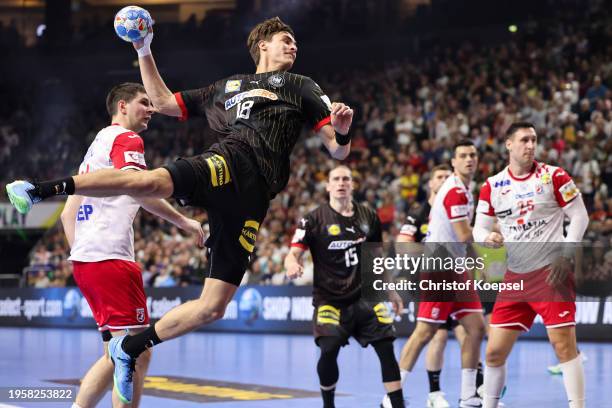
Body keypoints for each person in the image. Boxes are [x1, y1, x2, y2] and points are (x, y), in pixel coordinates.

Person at [5, 17, 354, 403]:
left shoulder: (302, 87)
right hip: (230, 161)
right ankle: (40, 189)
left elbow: (338, 149)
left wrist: (343, 129)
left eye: (295, 43)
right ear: (263, 46)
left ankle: (132, 347)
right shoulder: (225, 87)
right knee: (149, 182)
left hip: (255, 198)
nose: (294, 47)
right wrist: (143, 48)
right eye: (286, 40)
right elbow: (165, 102)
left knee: (212, 308)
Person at [61, 83, 204, 407]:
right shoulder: (126, 139)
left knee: (115, 353)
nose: (152, 109)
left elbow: (68, 212)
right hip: (110, 259)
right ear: (122, 106)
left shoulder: (98, 143)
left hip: (88, 261)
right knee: (135, 353)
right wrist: (184, 220)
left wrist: (82, 255)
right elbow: (140, 189)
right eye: (144, 103)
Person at [473, 122, 589, 408]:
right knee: (494, 353)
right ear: (508, 144)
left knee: (563, 347)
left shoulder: (554, 176)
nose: (530, 145)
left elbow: (580, 216)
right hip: (515, 276)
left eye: (534, 140)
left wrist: (565, 254)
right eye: (524, 140)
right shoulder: (493, 185)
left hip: (551, 272)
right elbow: (478, 229)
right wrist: (489, 237)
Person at [284, 165, 405, 408]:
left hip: (365, 299)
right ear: (328, 186)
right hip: (330, 300)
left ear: (352, 185)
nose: (341, 183)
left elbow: (377, 259)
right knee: (328, 350)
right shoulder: (313, 220)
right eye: (336, 179)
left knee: (387, 347)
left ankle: (398, 405)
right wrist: (291, 265)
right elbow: (292, 253)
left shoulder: (369, 216)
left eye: (346, 179)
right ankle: (328, 405)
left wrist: (390, 291)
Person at [389, 141, 486, 408]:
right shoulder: (453, 191)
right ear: (454, 162)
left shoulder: (467, 191)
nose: (469, 159)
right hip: (439, 269)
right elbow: (465, 236)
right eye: (463, 156)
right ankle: (392, 396)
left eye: (473, 155)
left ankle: (468, 395)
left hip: (457, 268)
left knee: (476, 329)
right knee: (426, 334)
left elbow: (465, 236)